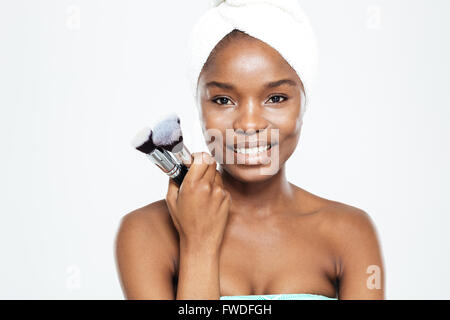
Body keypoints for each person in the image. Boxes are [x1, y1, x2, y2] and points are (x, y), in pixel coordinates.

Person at [115, 0, 384, 300]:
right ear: (198, 106)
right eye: (222, 100)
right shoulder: (144, 234)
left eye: (277, 98)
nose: (249, 123)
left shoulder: (351, 233)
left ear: (305, 103)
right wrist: (199, 243)